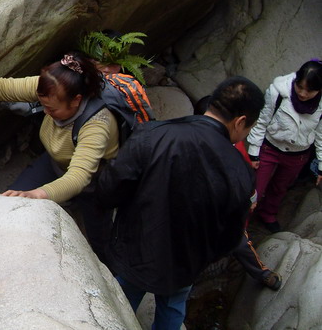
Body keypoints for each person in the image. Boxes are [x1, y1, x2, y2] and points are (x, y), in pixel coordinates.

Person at [96, 77, 264, 330]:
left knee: (120, 304)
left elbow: (109, 189)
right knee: (173, 310)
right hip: (185, 262)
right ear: (241, 122)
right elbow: (230, 236)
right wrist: (202, 257)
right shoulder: (241, 172)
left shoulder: (154, 133)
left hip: (136, 248)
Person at [0, 51, 119, 263]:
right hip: (55, 161)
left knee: (100, 238)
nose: (45, 112)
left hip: (95, 181)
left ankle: (111, 268)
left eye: (51, 108)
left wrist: (37, 195)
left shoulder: (97, 124)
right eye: (42, 104)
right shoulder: (51, 87)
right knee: (10, 203)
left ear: (76, 101)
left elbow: (79, 176)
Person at [194, 96, 282, 291]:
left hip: (227, 209)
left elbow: (244, 171)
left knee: (241, 244)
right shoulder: (193, 147)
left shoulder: (234, 143)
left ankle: (262, 273)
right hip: (201, 210)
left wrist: (250, 197)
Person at [247, 60, 322, 233]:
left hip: (298, 155)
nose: (302, 93)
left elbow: (320, 135)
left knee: (280, 188)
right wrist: (253, 153)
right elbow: (262, 121)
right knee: (255, 188)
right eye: (299, 87)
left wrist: (321, 166)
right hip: (270, 148)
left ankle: (268, 214)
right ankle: (242, 222)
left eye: (309, 90)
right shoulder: (278, 92)